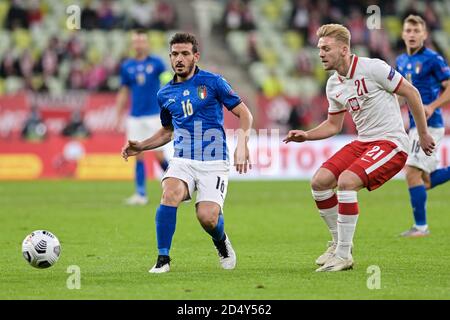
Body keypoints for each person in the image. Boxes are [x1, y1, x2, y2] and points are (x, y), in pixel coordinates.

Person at [283, 24, 435, 272]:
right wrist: (307, 135)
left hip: (391, 142)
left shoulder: (373, 67)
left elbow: (412, 92)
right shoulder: (333, 84)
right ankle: (338, 244)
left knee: (346, 181)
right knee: (319, 182)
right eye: (319, 48)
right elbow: (333, 125)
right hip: (363, 142)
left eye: (326, 48)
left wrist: (423, 132)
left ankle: (344, 255)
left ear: (344, 50)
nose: (320, 53)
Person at [121, 32, 253, 273]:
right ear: (170, 58)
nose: (179, 59)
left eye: (184, 53)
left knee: (207, 217)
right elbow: (167, 131)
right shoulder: (164, 94)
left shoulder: (213, 82)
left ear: (195, 56)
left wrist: (242, 144)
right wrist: (141, 145)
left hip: (214, 161)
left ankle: (221, 241)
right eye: (174, 54)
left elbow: (245, 114)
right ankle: (163, 259)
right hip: (182, 159)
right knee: (169, 192)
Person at [396, 15, 450, 237]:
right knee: (424, 180)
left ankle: (421, 227)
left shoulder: (433, 59)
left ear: (424, 35)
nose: (411, 35)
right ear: (402, 34)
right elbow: (400, 95)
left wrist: (432, 106)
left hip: (430, 125)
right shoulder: (400, 61)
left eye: (416, 31)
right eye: (408, 30)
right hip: (413, 126)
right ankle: (420, 226)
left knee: (411, 173)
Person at [115, 29, 169, 205]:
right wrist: (118, 113)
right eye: (136, 41)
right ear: (133, 44)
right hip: (135, 117)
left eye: (142, 41)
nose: (139, 44)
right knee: (137, 154)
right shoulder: (127, 66)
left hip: (155, 116)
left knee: (159, 156)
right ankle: (140, 194)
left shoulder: (157, 63)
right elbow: (124, 91)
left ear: (147, 44)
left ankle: (179, 187)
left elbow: (168, 83)